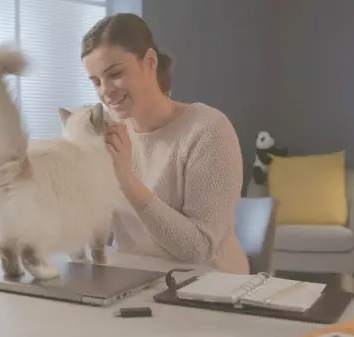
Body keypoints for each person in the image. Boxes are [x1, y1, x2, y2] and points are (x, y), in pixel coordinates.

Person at [81, 13, 249, 274]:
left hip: (211, 290)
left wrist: (125, 179)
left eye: (114, 73)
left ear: (149, 62)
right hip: (141, 285)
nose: (105, 90)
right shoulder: (112, 135)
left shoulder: (207, 129)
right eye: (96, 81)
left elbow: (199, 249)